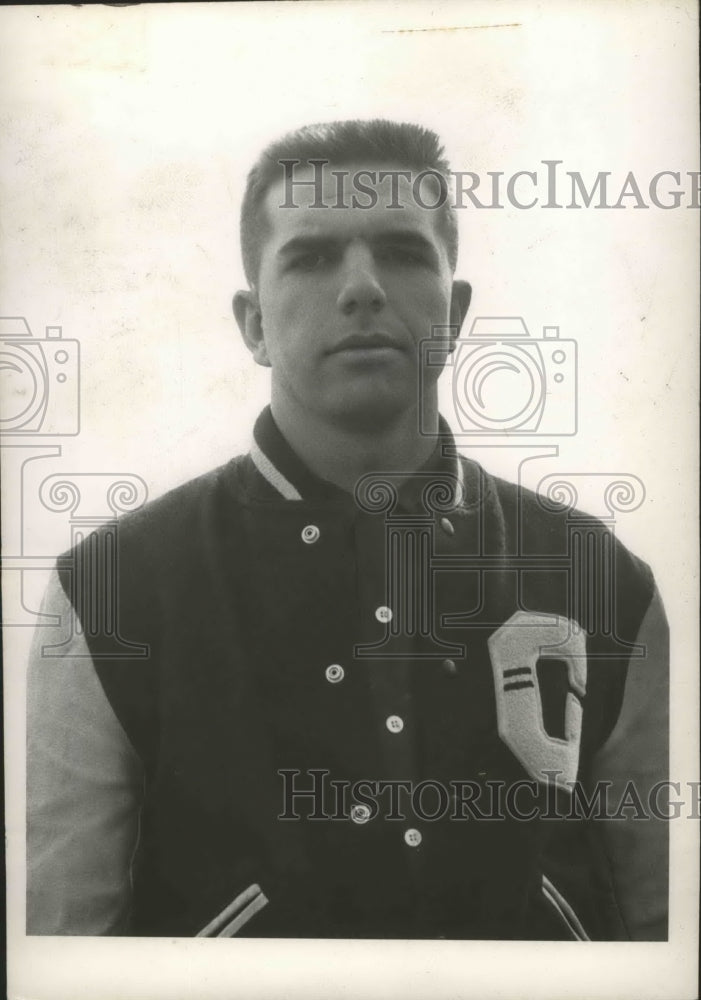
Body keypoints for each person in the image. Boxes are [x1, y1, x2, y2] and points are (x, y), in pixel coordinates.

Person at [27, 119, 668, 940]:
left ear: (456, 310)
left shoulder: (602, 579)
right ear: (252, 323)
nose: (362, 285)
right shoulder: (110, 589)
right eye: (312, 255)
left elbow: (665, 932)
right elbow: (61, 948)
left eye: (402, 252)